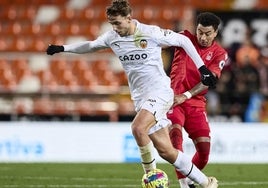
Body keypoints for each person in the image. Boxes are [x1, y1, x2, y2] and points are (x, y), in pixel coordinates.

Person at [46, 1, 218, 187]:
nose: (115, 27)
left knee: (137, 128)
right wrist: (63, 48)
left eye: (117, 23)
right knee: (166, 151)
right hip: (141, 98)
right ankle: (207, 182)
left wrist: (202, 68)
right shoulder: (112, 37)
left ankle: (151, 177)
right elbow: (90, 45)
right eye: (112, 23)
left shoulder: (150, 32)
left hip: (160, 92)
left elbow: (183, 40)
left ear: (129, 18)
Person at [166, 12, 228, 188]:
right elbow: (161, 41)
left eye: (207, 33)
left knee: (204, 151)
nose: (202, 37)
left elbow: (209, 80)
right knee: (175, 137)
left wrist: (185, 95)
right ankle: (184, 185)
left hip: (195, 102)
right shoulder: (184, 38)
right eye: (200, 31)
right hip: (173, 99)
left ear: (215, 32)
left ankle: (191, 181)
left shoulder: (219, 54)